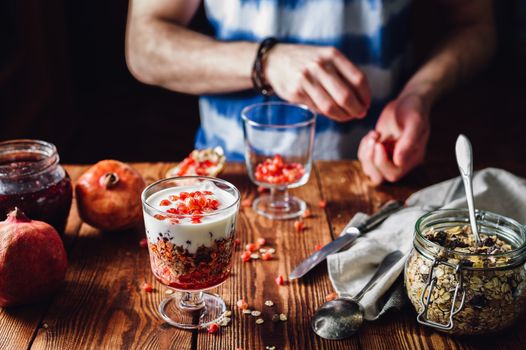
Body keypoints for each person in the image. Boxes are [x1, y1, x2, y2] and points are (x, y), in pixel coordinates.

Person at [125, 0, 495, 185]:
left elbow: (476, 25)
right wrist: (264, 61)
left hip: (377, 171)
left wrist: (420, 93)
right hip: (232, 179)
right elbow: (144, 45)